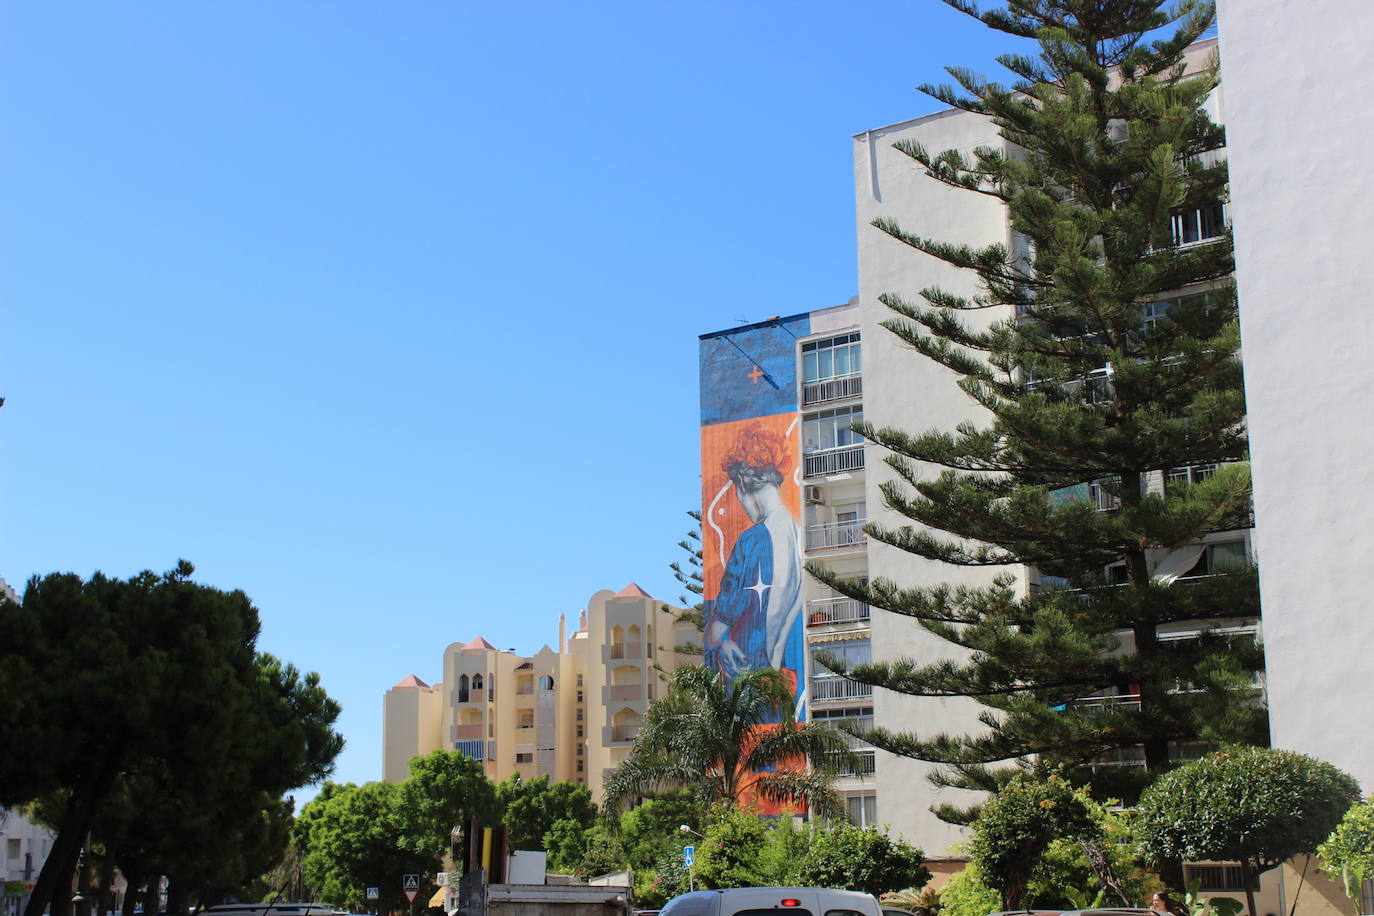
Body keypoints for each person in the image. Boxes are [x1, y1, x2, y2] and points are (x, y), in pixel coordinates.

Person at [703, 424, 805, 702]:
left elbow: (714, 634)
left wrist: (722, 642)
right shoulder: (799, 532)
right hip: (784, 687)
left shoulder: (751, 542)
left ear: (743, 485)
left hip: (750, 689)